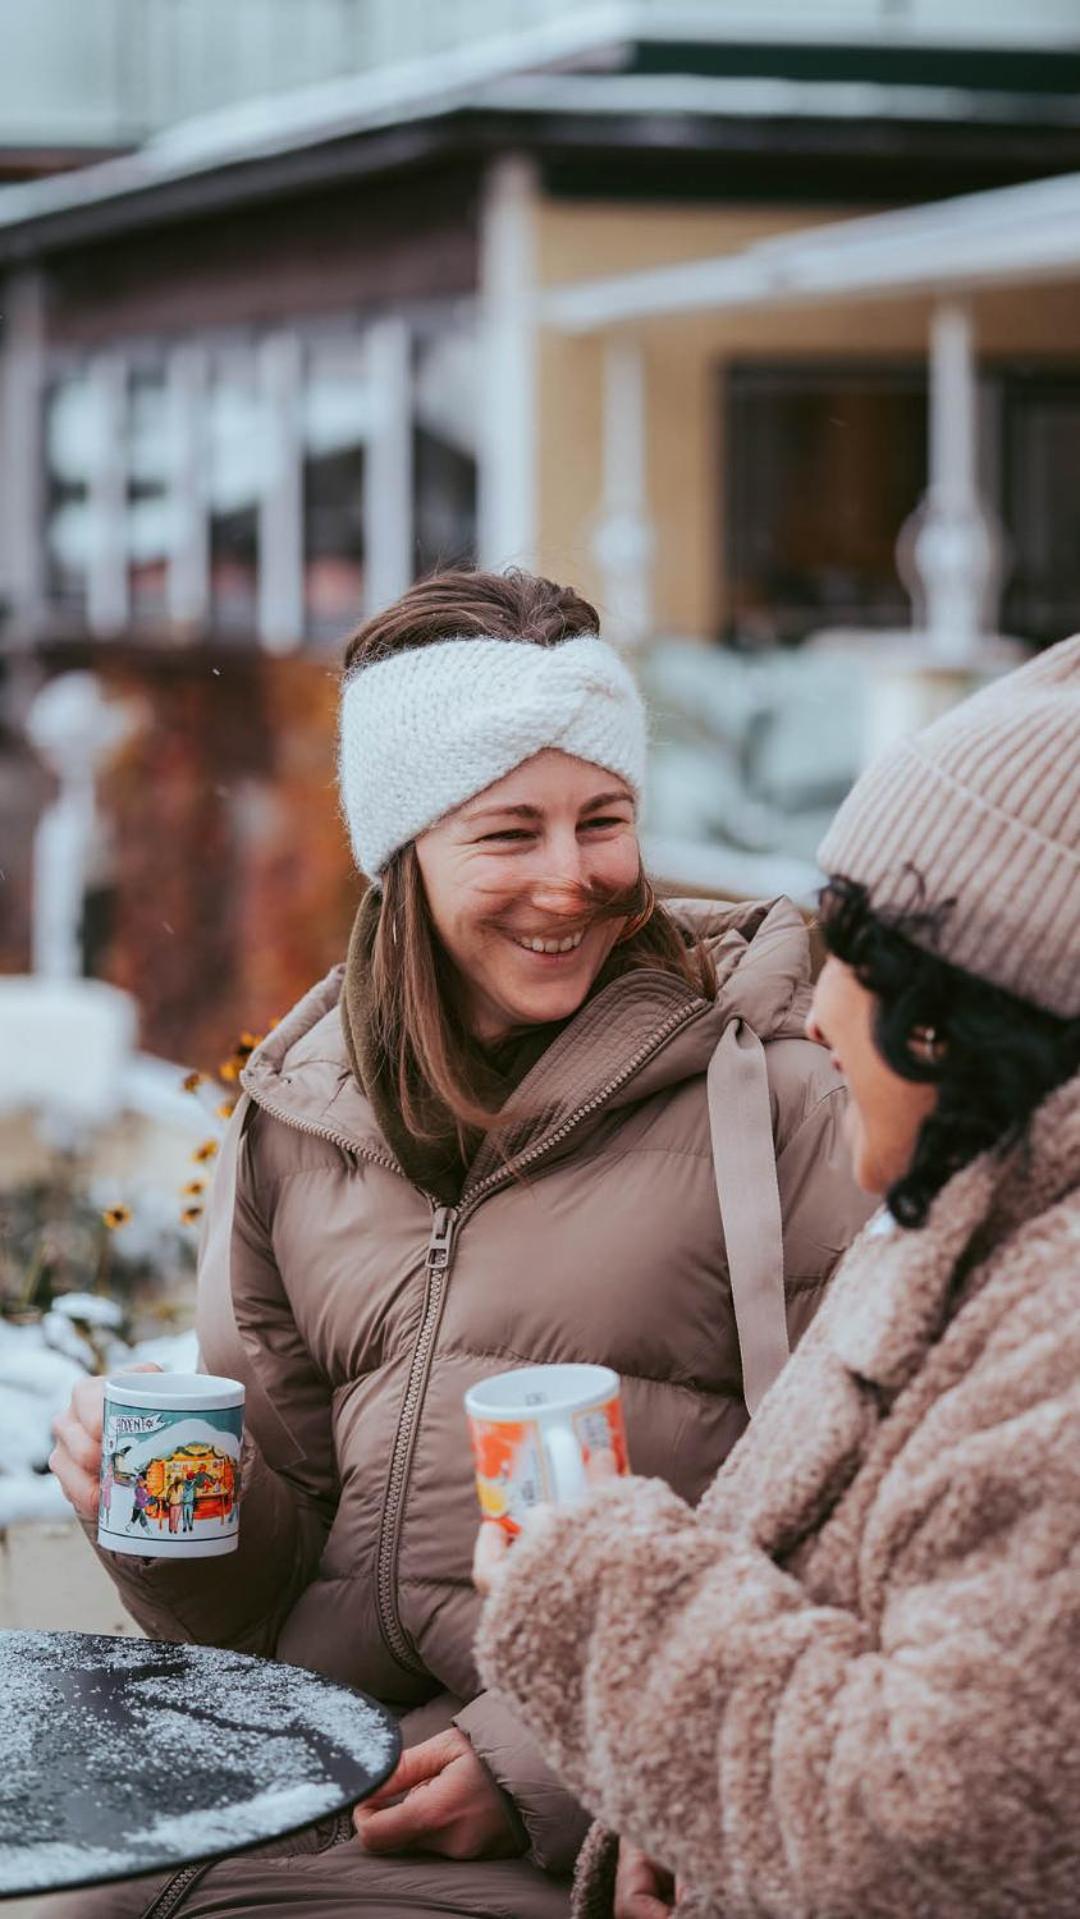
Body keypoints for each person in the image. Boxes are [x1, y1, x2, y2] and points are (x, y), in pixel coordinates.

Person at [48, 568, 869, 1919]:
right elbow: (268, 1600)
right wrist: (163, 1517)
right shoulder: (300, 1116)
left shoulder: (773, 1093)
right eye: (509, 831)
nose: (571, 877)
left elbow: (845, 1518)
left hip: (595, 1815)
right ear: (404, 850)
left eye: (603, 819)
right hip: (318, 1773)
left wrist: (543, 1762)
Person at [474, 635, 1080, 1919]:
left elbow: (939, 1834)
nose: (817, 1011)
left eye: (855, 951)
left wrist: (595, 1590)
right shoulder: (955, 1220)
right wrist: (689, 1821)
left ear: (961, 1004)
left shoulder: (1055, 1328)